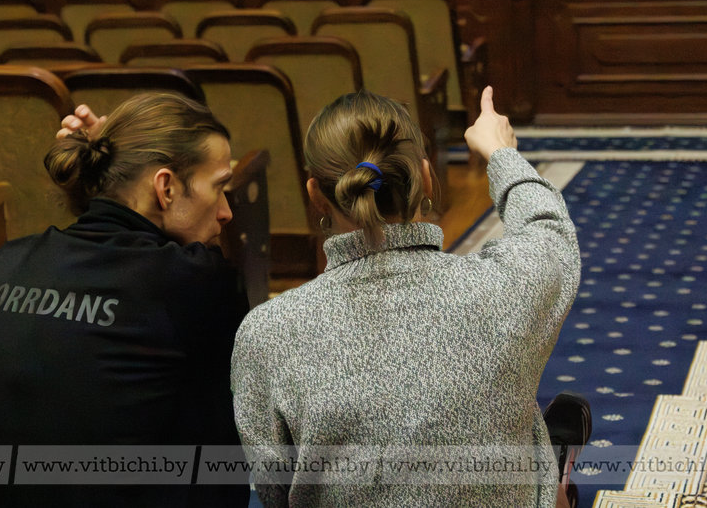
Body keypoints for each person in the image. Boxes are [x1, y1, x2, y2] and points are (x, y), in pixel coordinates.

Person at [229, 87, 583, 507]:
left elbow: (276, 491)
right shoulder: (505, 287)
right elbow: (549, 231)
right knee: (533, 453)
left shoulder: (265, 335)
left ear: (316, 196)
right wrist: (501, 153)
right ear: (426, 178)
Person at [0, 92, 249, 507]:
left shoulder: (8, 261)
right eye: (218, 188)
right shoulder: (195, 281)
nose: (225, 211)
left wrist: (110, 170)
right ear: (165, 187)